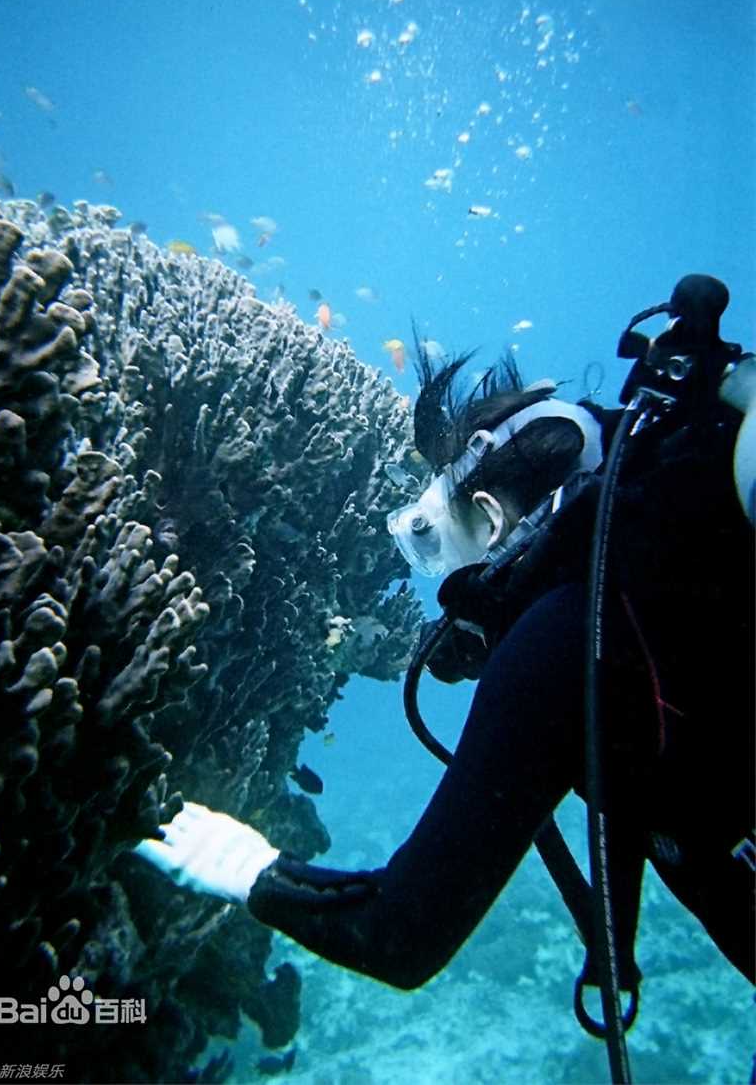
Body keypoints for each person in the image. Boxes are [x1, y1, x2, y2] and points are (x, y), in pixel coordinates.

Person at [136, 281, 755, 1010]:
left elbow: (400, 936)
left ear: (492, 519)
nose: (438, 583)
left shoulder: (559, 640)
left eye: (430, 538)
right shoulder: (653, 577)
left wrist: (246, 868)